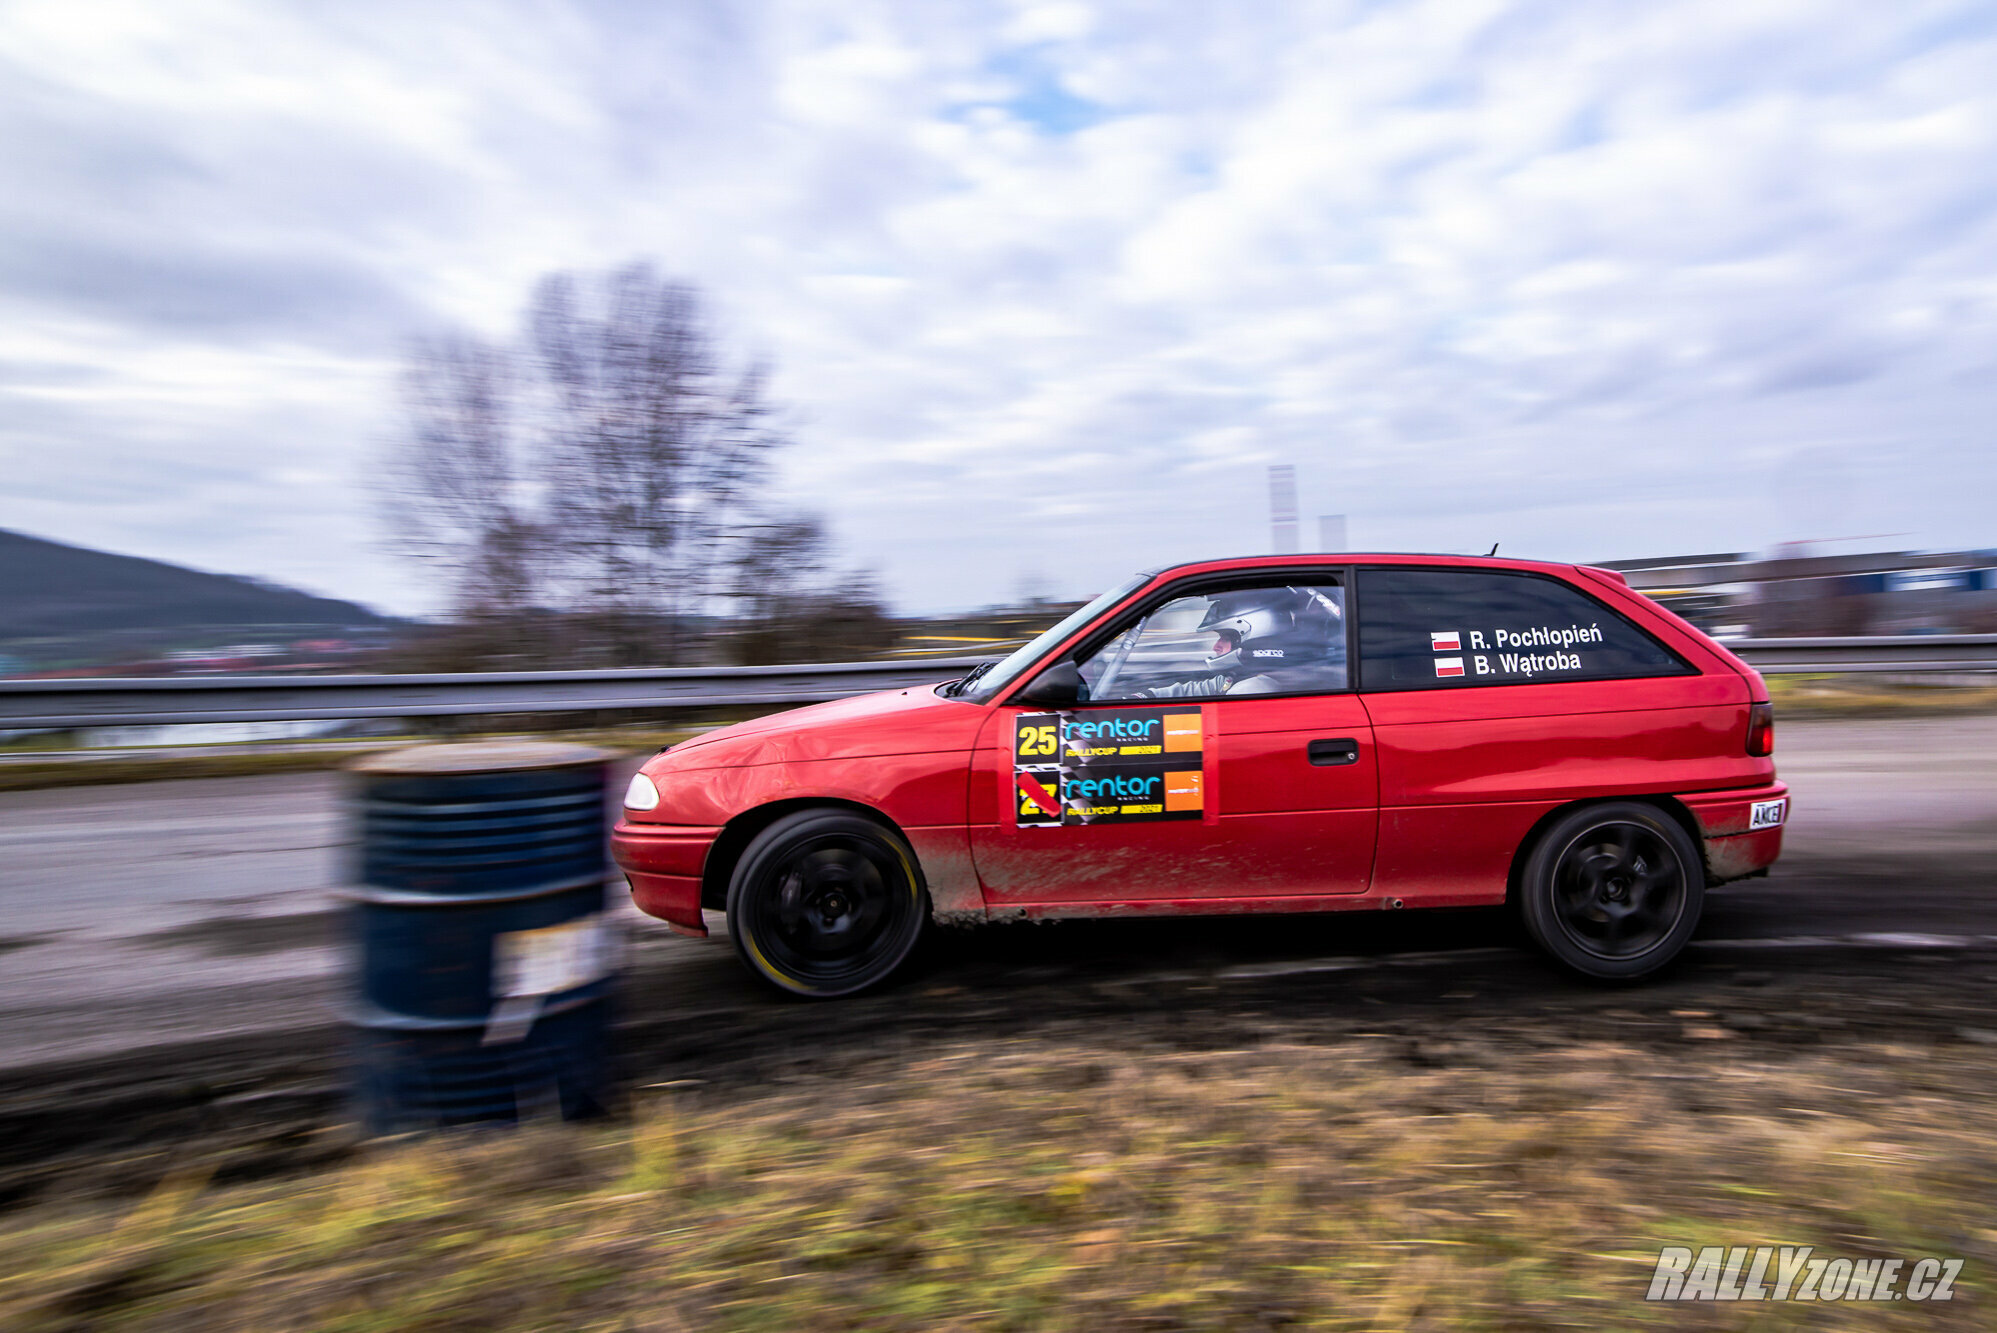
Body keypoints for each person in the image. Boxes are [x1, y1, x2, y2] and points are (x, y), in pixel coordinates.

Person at [1140, 586, 1347, 697]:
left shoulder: (1254, 688)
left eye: (1226, 637)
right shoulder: (1243, 677)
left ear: (1252, 634)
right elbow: (1199, 690)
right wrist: (1144, 697)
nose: (1216, 646)